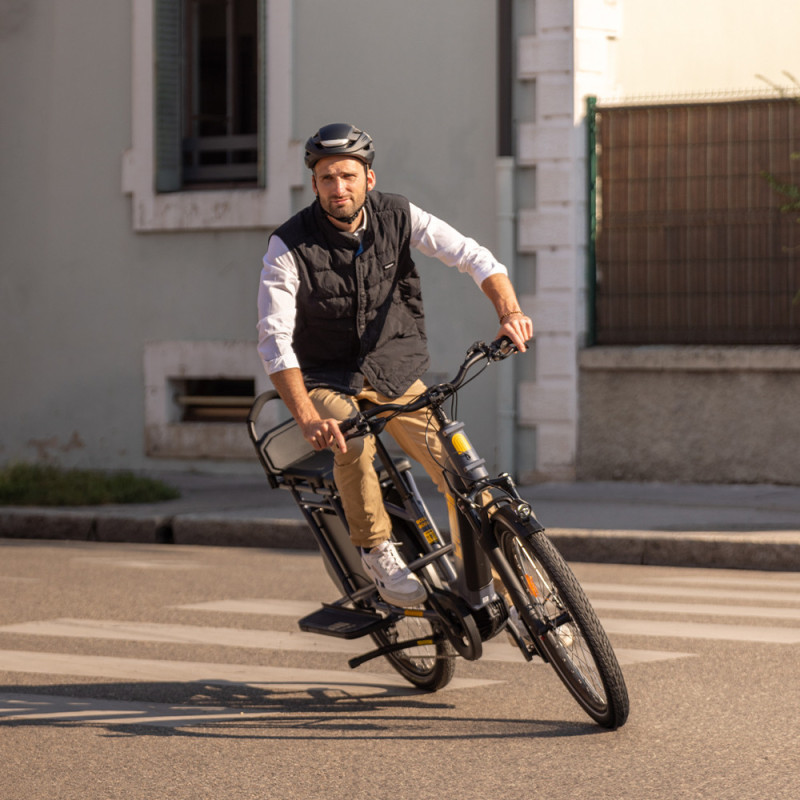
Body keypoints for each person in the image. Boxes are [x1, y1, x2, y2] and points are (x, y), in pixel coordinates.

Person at [257, 123, 533, 608]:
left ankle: (506, 583)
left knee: (460, 471)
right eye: (326, 178)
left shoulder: (399, 215)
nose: (337, 187)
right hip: (326, 377)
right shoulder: (288, 246)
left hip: (393, 370)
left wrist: (509, 313)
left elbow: (473, 256)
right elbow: (274, 339)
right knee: (352, 435)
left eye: (347, 175)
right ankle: (377, 550)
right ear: (315, 183)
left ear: (368, 177)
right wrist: (307, 416)